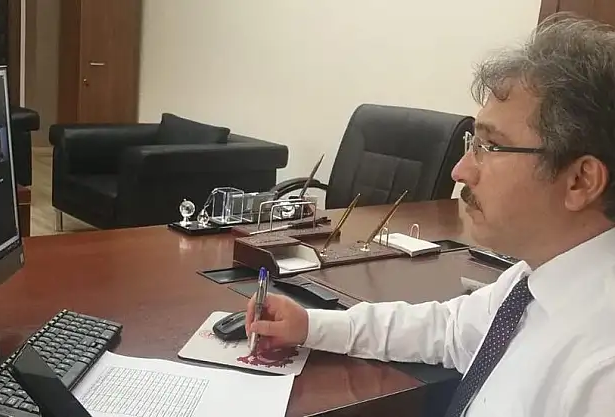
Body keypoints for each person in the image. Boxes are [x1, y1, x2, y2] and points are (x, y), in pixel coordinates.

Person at [245, 14, 615, 417]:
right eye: (473, 142)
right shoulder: (534, 279)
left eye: (490, 147)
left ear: (580, 181)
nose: (460, 170)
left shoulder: (602, 371)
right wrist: (311, 326)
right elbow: (449, 330)